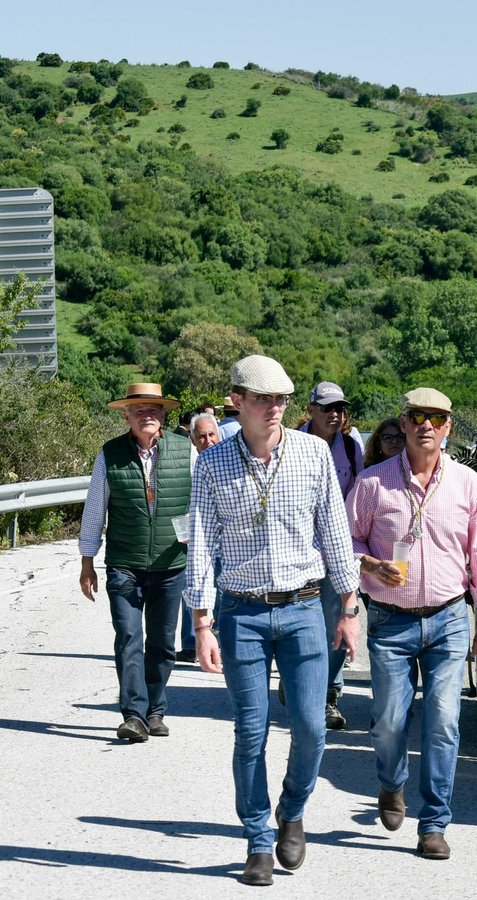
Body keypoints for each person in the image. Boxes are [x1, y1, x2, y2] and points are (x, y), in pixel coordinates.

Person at [185, 355, 361, 887]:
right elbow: (201, 544)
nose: (275, 408)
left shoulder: (312, 453)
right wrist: (201, 623)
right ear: (237, 401)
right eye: (263, 399)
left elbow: (334, 533)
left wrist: (349, 608)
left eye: (281, 398)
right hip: (241, 612)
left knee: (311, 726)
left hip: (305, 608)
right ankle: (258, 838)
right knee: (251, 731)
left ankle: (293, 808)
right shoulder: (213, 464)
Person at [348, 388, 477, 858]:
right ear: (404, 423)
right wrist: (370, 565)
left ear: (448, 426)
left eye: (436, 418)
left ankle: (434, 822)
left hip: (449, 618)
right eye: (417, 417)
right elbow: (344, 542)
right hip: (390, 622)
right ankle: (392, 781)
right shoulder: (372, 484)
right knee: (389, 723)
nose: (426, 426)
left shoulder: (467, 483)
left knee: (444, 721)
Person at [78, 384, 195, 742]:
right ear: (126, 415)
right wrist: (87, 562)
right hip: (124, 563)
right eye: (139, 410)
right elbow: (95, 509)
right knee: (129, 637)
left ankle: (155, 711)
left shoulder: (185, 450)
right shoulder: (110, 454)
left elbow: (200, 502)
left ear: (163, 415)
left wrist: (199, 548)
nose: (147, 415)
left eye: (154, 410)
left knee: (161, 643)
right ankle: (133, 715)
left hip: (171, 563)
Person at [295, 382, 366, 730]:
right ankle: (297, 678)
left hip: (336, 550)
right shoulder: (289, 443)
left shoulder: (352, 448)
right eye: (327, 407)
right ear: (311, 410)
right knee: (299, 623)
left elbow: (359, 496)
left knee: (338, 620)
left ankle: (328, 694)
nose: (335, 414)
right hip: (295, 552)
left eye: (340, 408)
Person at [175, 412, 223, 660]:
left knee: (223, 595)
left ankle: (221, 644)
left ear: (219, 435)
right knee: (192, 588)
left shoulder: (229, 462)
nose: (207, 440)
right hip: (195, 539)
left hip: (225, 542)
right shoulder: (186, 463)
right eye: (201, 436)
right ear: (192, 439)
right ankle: (191, 645)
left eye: (211, 434)